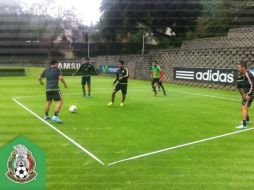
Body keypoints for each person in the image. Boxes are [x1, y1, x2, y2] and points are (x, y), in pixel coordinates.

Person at [236, 61, 254, 129]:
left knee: (244, 107)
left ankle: (244, 125)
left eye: (239, 67)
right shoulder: (242, 75)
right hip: (246, 93)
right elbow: (239, 86)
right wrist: (241, 94)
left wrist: (249, 94)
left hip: (250, 93)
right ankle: (247, 120)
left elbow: (252, 85)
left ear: (243, 67)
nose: (238, 68)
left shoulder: (248, 74)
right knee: (243, 106)